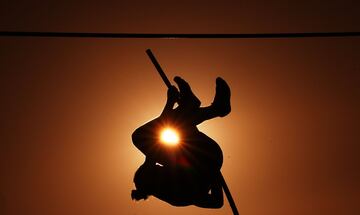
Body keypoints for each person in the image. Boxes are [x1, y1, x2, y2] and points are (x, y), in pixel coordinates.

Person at [131, 76, 231, 208]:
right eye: (155, 167)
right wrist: (214, 174)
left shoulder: (172, 190)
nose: (158, 163)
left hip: (201, 152)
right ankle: (209, 108)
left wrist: (170, 103)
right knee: (140, 137)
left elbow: (155, 142)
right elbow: (216, 202)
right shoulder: (179, 196)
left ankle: (201, 107)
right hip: (207, 156)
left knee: (174, 127)